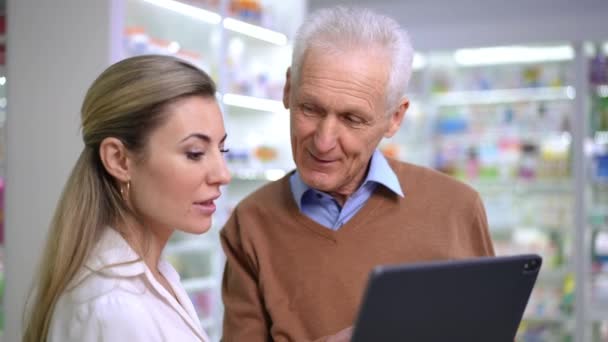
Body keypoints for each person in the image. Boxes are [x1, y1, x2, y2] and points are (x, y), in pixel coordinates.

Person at [220, 6, 495, 342]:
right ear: (288, 89)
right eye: (310, 108)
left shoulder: (456, 208)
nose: (323, 142)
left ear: (395, 118)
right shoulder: (250, 222)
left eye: (352, 119)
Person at [22, 55, 231, 342]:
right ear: (119, 160)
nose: (222, 174)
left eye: (223, 149)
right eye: (195, 153)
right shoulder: (116, 310)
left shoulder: (149, 276)